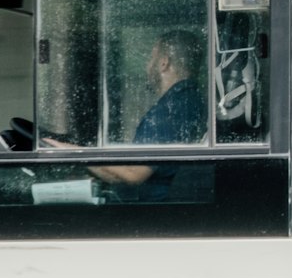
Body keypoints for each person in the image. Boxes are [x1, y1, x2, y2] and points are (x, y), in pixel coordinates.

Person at [46, 28, 206, 200]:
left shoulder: (170, 109)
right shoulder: (193, 101)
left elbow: (134, 173)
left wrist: (70, 152)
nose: (148, 64)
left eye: (152, 57)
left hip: (152, 211)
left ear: (163, 63)